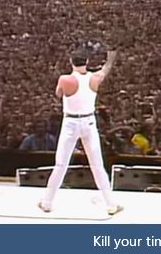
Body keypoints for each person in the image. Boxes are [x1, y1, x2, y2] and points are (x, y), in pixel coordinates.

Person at [38, 47, 123, 215]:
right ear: (87, 62)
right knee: (97, 165)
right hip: (89, 122)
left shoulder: (65, 79)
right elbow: (105, 69)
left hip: (70, 122)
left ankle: (47, 202)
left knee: (61, 164)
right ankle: (111, 204)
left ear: (71, 62)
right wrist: (110, 59)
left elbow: (59, 94)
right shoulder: (95, 78)